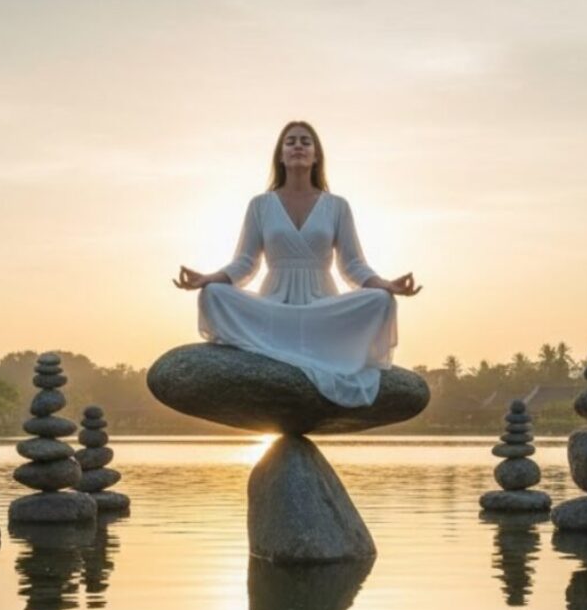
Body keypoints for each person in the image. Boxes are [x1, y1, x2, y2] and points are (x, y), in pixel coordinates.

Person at [173, 120, 421, 408]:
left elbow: (352, 265)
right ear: (281, 155)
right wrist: (207, 278)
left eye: (306, 141)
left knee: (380, 300)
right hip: (275, 307)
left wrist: (387, 285)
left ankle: (297, 345)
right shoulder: (261, 205)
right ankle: (285, 343)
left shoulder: (337, 205)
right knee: (214, 294)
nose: (298, 146)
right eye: (290, 142)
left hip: (321, 310)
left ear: (316, 156)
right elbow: (245, 263)